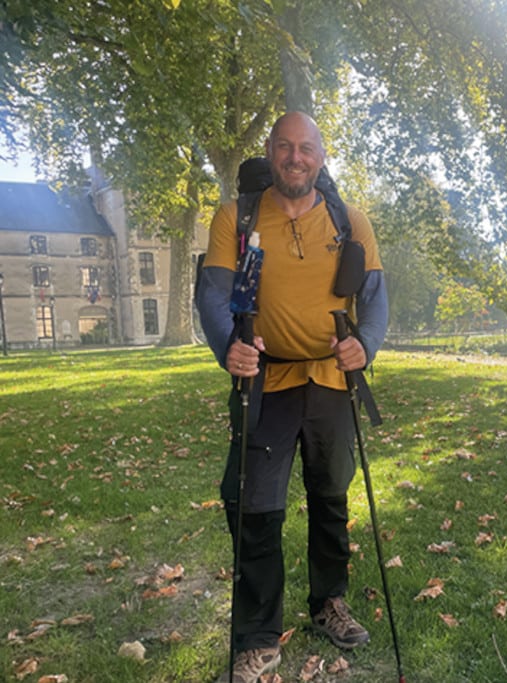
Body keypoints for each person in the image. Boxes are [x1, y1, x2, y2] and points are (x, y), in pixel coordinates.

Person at [196, 111, 388, 683]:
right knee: (254, 505)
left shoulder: (351, 221)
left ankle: (329, 604)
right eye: (284, 146)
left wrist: (365, 347)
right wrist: (229, 346)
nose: (295, 157)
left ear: (320, 157)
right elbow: (214, 294)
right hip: (266, 382)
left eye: (306, 148)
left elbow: (375, 298)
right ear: (270, 151)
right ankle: (259, 637)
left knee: (331, 497)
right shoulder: (236, 217)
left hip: (330, 381)